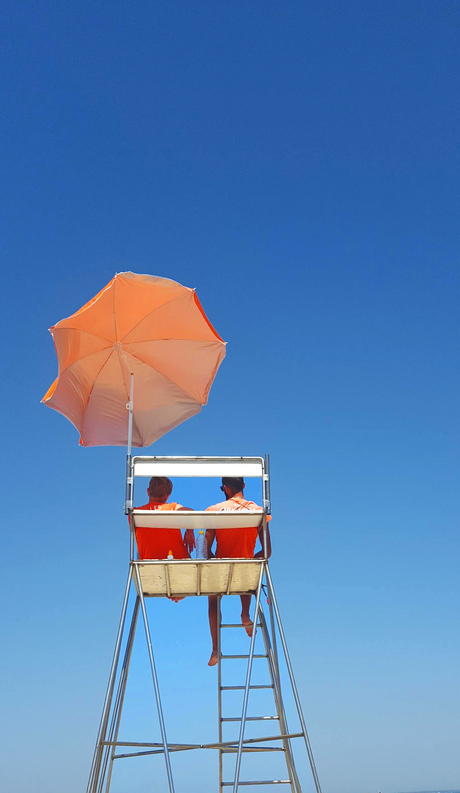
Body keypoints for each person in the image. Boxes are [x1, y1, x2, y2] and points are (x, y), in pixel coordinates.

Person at [205, 477, 271, 666]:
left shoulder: (214, 510)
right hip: (245, 571)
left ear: (225, 488)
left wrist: (215, 561)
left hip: (221, 568)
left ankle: (216, 649)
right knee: (247, 570)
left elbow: (206, 549)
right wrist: (250, 560)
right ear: (243, 485)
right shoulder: (259, 511)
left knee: (213, 598)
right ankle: (245, 614)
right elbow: (268, 551)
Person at [134, 476, 196, 561]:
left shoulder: (135, 513)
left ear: (148, 492)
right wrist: (190, 532)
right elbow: (190, 512)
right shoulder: (172, 508)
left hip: (149, 565)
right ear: (167, 496)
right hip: (180, 562)